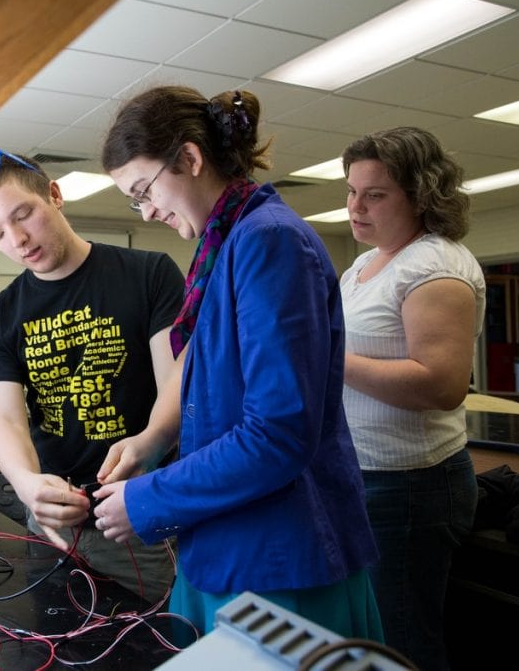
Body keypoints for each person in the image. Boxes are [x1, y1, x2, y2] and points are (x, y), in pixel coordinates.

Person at [94, 86, 383, 640]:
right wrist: (150, 442)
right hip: (228, 546)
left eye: (143, 191)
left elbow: (277, 435)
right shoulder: (225, 247)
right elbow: (209, 383)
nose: (147, 211)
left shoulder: (269, 242)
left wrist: (149, 498)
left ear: (190, 158)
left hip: (277, 560)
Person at [0, 149, 184, 602]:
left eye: (24, 215)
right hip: (58, 518)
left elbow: (175, 381)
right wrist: (26, 484)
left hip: (147, 508)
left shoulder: (149, 273)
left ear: (55, 196)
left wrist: (151, 442)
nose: (17, 240)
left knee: (170, 638)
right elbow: (4, 420)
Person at [339, 126, 485, 670]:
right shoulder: (364, 265)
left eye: (375, 194)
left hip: (408, 486)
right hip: (365, 477)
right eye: (351, 190)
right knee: (374, 635)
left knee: (401, 643)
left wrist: (327, 359)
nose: (356, 206)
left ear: (422, 195)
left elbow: (441, 385)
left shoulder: (436, 266)